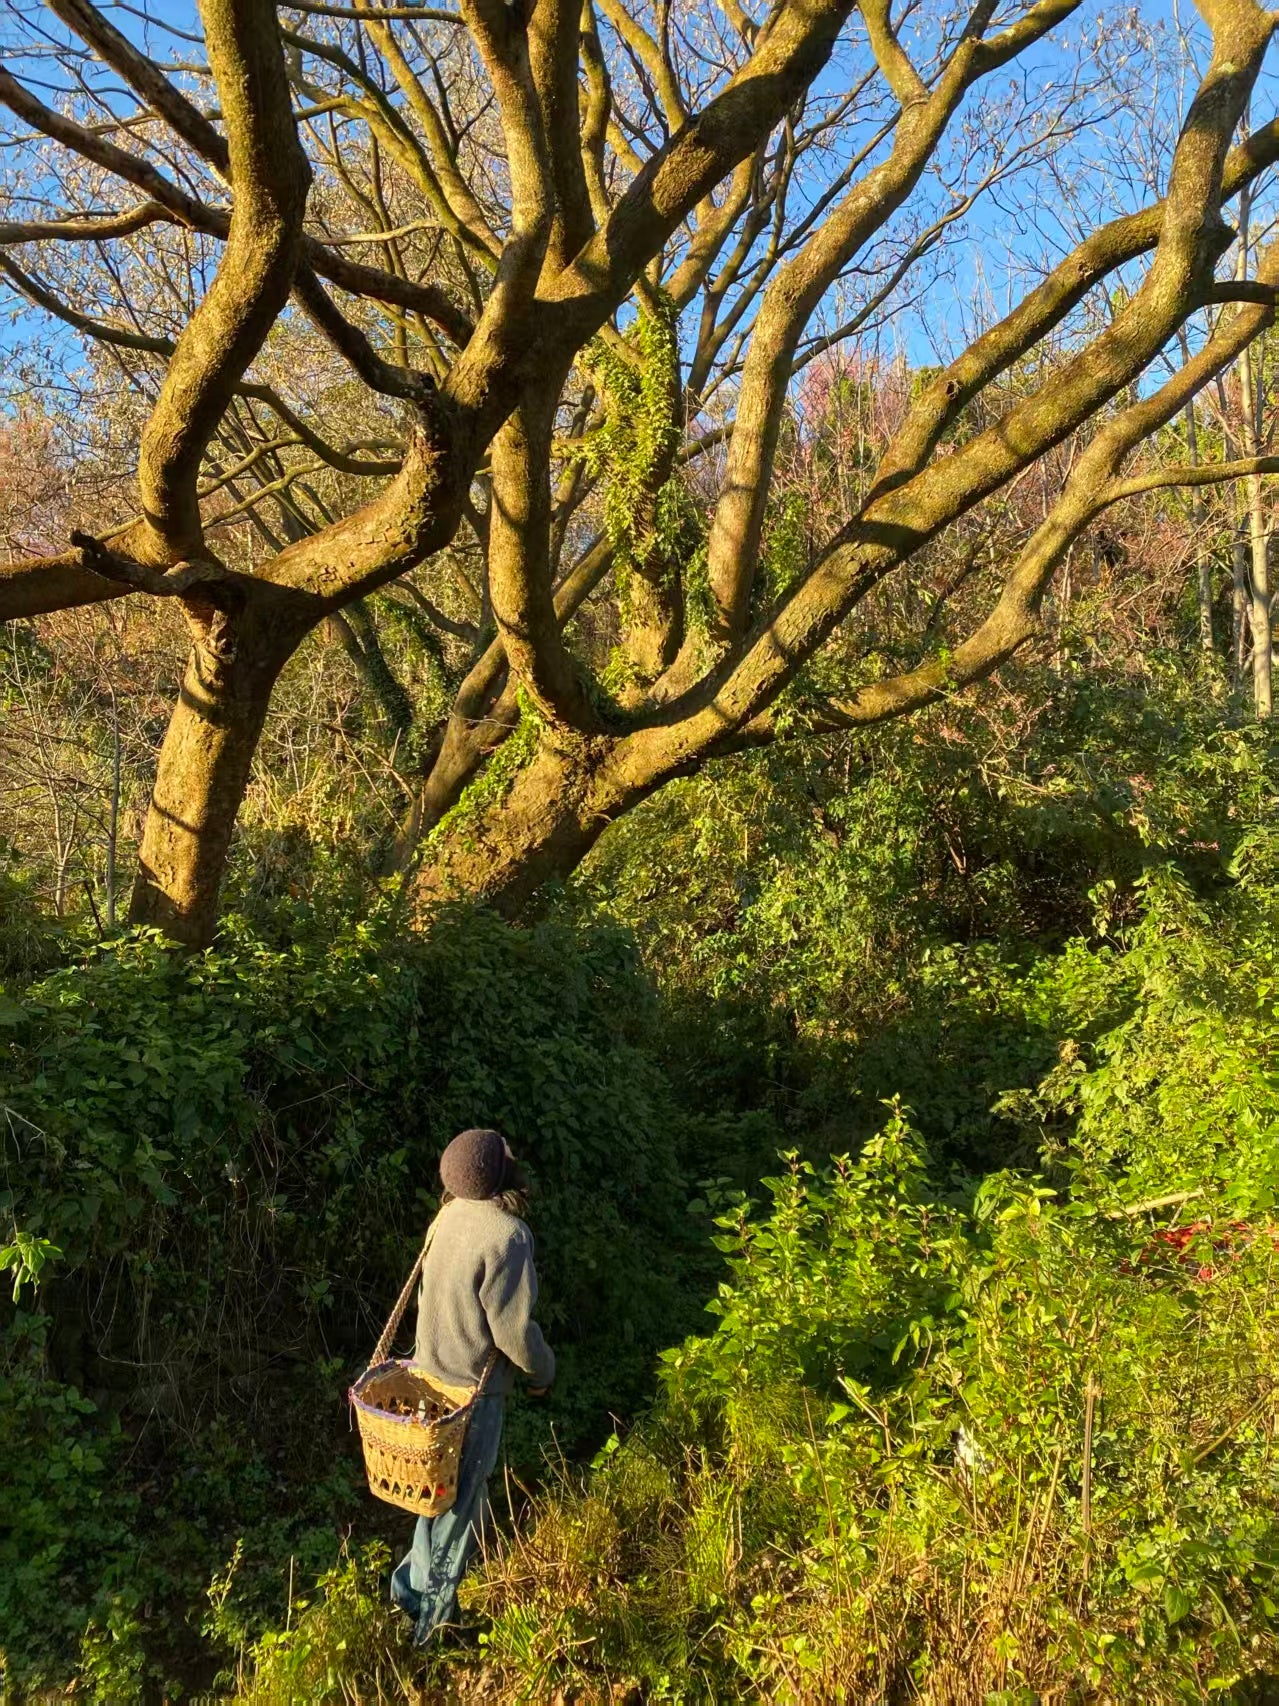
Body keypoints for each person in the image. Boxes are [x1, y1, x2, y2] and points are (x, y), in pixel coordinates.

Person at [390, 1127, 555, 1645]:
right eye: (508, 1151)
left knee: (434, 1495)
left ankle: (407, 1593)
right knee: (460, 1508)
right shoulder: (507, 1235)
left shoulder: (449, 1214)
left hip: (428, 1382)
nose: (513, 1153)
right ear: (497, 1174)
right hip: (472, 1396)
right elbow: (514, 1334)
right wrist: (543, 1373)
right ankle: (432, 1628)